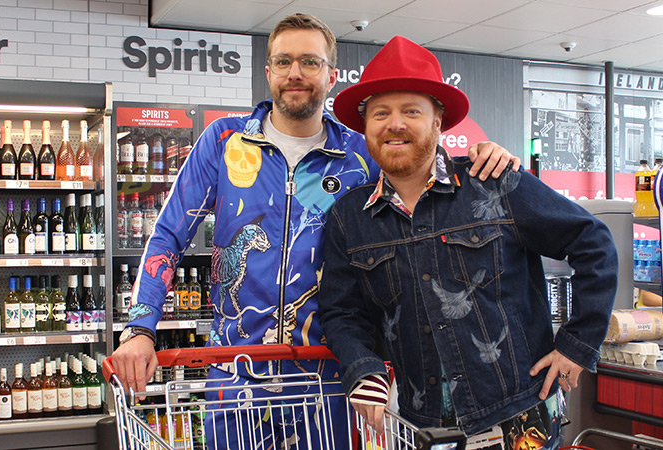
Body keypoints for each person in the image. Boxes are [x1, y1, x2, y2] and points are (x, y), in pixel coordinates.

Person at [110, 13, 520, 448]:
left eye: (310, 62)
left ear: (331, 75)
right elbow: (169, 235)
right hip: (236, 378)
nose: (295, 74)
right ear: (267, 72)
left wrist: (482, 160)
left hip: (335, 380)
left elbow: (425, 176)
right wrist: (140, 329)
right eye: (283, 62)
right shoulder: (224, 141)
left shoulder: (362, 153)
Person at [319, 36, 618, 448]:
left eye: (411, 111)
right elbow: (340, 311)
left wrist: (577, 344)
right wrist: (363, 367)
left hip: (519, 417)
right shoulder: (348, 219)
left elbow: (592, 240)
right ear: (366, 126)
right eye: (381, 113)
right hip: (426, 427)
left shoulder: (494, 183)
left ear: (438, 120)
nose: (395, 124)